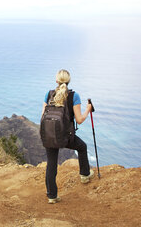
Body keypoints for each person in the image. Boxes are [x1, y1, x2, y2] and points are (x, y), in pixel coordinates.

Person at [41, 69, 93, 204]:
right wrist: (88, 109)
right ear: (68, 81)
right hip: (65, 137)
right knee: (82, 147)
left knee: (51, 164)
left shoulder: (49, 94)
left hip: (50, 135)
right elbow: (79, 119)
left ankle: (52, 196)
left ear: (56, 81)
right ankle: (85, 175)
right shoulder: (74, 96)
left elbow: (43, 116)